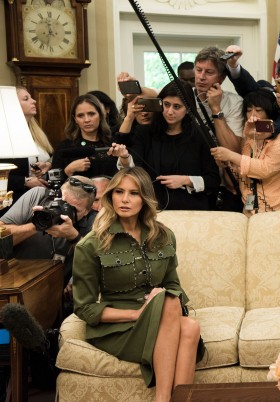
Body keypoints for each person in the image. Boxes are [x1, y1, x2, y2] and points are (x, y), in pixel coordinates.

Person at [72, 167, 203, 402]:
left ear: (145, 199)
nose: (124, 199)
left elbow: (174, 284)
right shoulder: (90, 245)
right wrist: (137, 314)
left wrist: (159, 303)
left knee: (185, 319)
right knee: (173, 306)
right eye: (119, 192)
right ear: (110, 196)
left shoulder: (164, 236)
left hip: (161, 317)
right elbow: (85, 308)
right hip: (118, 328)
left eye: (133, 193)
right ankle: (162, 398)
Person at [112, 80, 220, 211]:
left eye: (177, 107)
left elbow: (213, 180)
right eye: (166, 104)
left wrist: (186, 180)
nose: (169, 112)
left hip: (191, 210)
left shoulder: (200, 136)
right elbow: (133, 169)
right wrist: (129, 118)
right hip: (153, 208)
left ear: (188, 109)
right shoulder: (145, 132)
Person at [210, 89, 280, 215]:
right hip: (250, 209)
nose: (253, 115)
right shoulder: (249, 135)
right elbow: (245, 175)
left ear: (270, 112)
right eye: (248, 110)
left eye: (258, 110)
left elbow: (265, 169)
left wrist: (231, 155)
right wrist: (229, 164)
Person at [0, 176, 96, 283]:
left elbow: (94, 265)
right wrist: (38, 224)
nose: (66, 214)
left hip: (53, 290)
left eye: (74, 210)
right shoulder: (38, 196)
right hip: (14, 281)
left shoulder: (94, 220)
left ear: (88, 210)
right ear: (57, 196)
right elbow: (1, 238)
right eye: (64, 205)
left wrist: (73, 236)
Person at [2, 87, 53, 209]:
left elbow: (50, 158)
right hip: (15, 200)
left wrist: (48, 165)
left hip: (43, 197)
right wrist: (25, 181)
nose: (34, 101)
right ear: (12, 104)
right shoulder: (5, 135)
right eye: (26, 99)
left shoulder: (37, 131)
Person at [51, 94, 118, 179]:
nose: (87, 120)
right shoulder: (64, 147)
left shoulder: (113, 144)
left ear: (100, 115)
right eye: (80, 116)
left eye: (91, 114)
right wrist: (69, 170)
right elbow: (54, 184)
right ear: (75, 119)